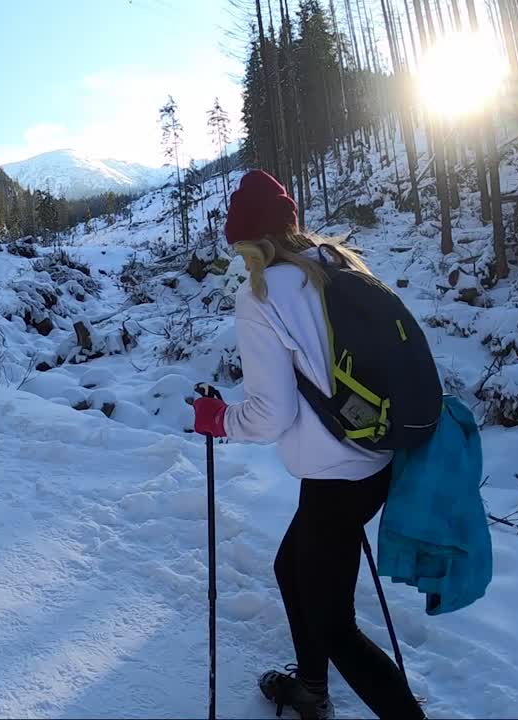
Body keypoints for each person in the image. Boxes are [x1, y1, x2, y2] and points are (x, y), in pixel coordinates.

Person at [192, 170, 425, 720]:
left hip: (335, 474)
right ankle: (312, 689)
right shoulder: (333, 263)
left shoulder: (263, 295)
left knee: (334, 624)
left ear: (249, 241)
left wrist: (218, 419)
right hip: (373, 456)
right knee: (291, 568)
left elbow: (273, 415)